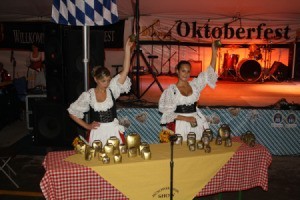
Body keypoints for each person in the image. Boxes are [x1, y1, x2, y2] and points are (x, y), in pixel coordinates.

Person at [67, 37, 134, 146]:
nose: (106, 83)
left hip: (113, 130)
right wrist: (87, 126)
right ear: (95, 80)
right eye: (103, 81)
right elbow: (72, 112)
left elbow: (125, 70)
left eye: (108, 80)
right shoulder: (89, 95)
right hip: (98, 132)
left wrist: (127, 49)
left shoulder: (112, 89)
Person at [158, 40, 220, 141]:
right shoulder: (171, 91)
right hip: (180, 125)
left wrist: (214, 51)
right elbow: (168, 114)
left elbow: (209, 73)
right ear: (177, 71)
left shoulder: (195, 85)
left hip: (196, 122)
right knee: (181, 152)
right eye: (183, 71)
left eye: (188, 71)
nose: (186, 74)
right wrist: (187, 119)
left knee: (197, 149)